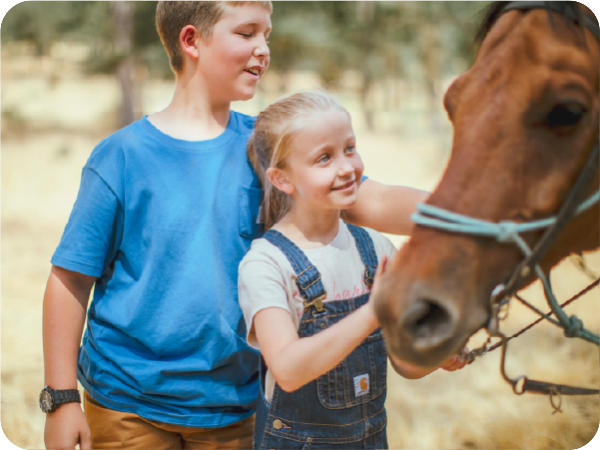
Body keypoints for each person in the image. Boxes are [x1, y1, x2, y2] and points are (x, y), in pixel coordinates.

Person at [42, 1, 431, 449]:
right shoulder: (121, 156)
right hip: (127, 403)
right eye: (247, 33)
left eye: (267, 34)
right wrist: (62, 397)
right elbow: (70, 279)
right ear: (191, 41)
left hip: (239, 407)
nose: (264, 49)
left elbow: (370, 198)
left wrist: (469, 216)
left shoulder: (267, 149)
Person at [239, 90, 467, 450]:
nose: (347, 168)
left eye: (349, 148)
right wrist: (375, 311)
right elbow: (288, 369)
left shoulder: (375, 249)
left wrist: (436, 353)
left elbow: (403, 362)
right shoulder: (266, 263)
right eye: (324, 158)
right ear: (282, 179)